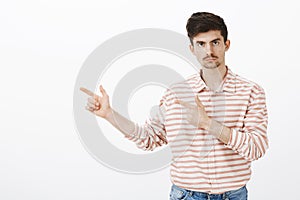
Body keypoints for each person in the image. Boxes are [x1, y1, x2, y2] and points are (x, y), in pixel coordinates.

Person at [80, 12, 268, 200]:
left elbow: (256, 148)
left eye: (215, 42)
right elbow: (149, 138)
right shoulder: (176, 93)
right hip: (186, 196)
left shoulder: (251, 92)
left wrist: (209, 124)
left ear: (226, 45)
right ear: (192, 49)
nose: (208, 51)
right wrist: (109, 114)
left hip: (233, 195)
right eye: (201, 44)